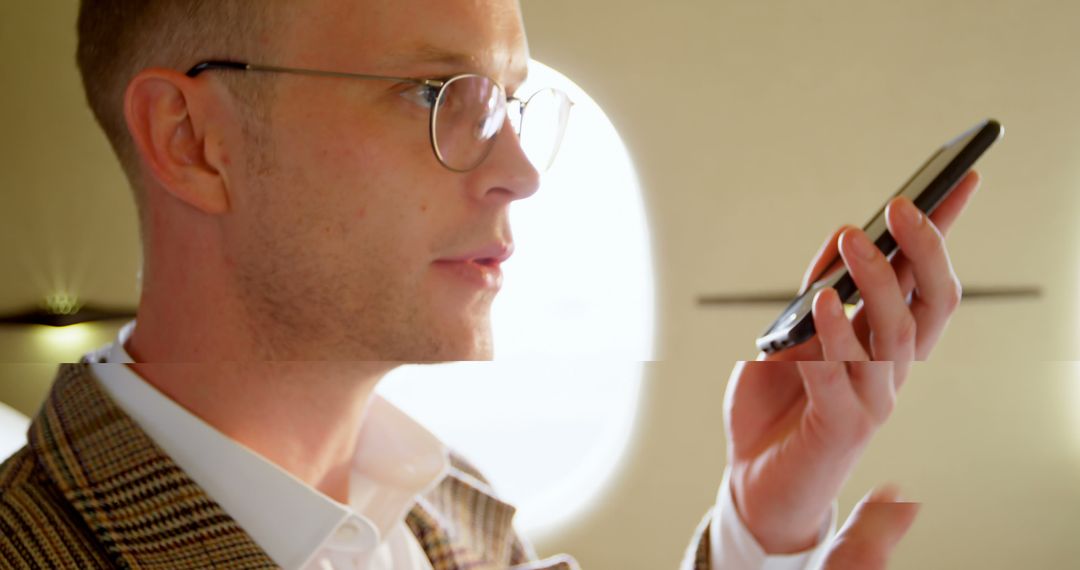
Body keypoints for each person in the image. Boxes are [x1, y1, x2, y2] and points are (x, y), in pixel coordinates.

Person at [0, 0, 978, 568]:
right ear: (194, 141)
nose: (523, 170)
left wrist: (765, 518)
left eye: (510, 102)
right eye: (440, 95)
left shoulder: (445, 502)